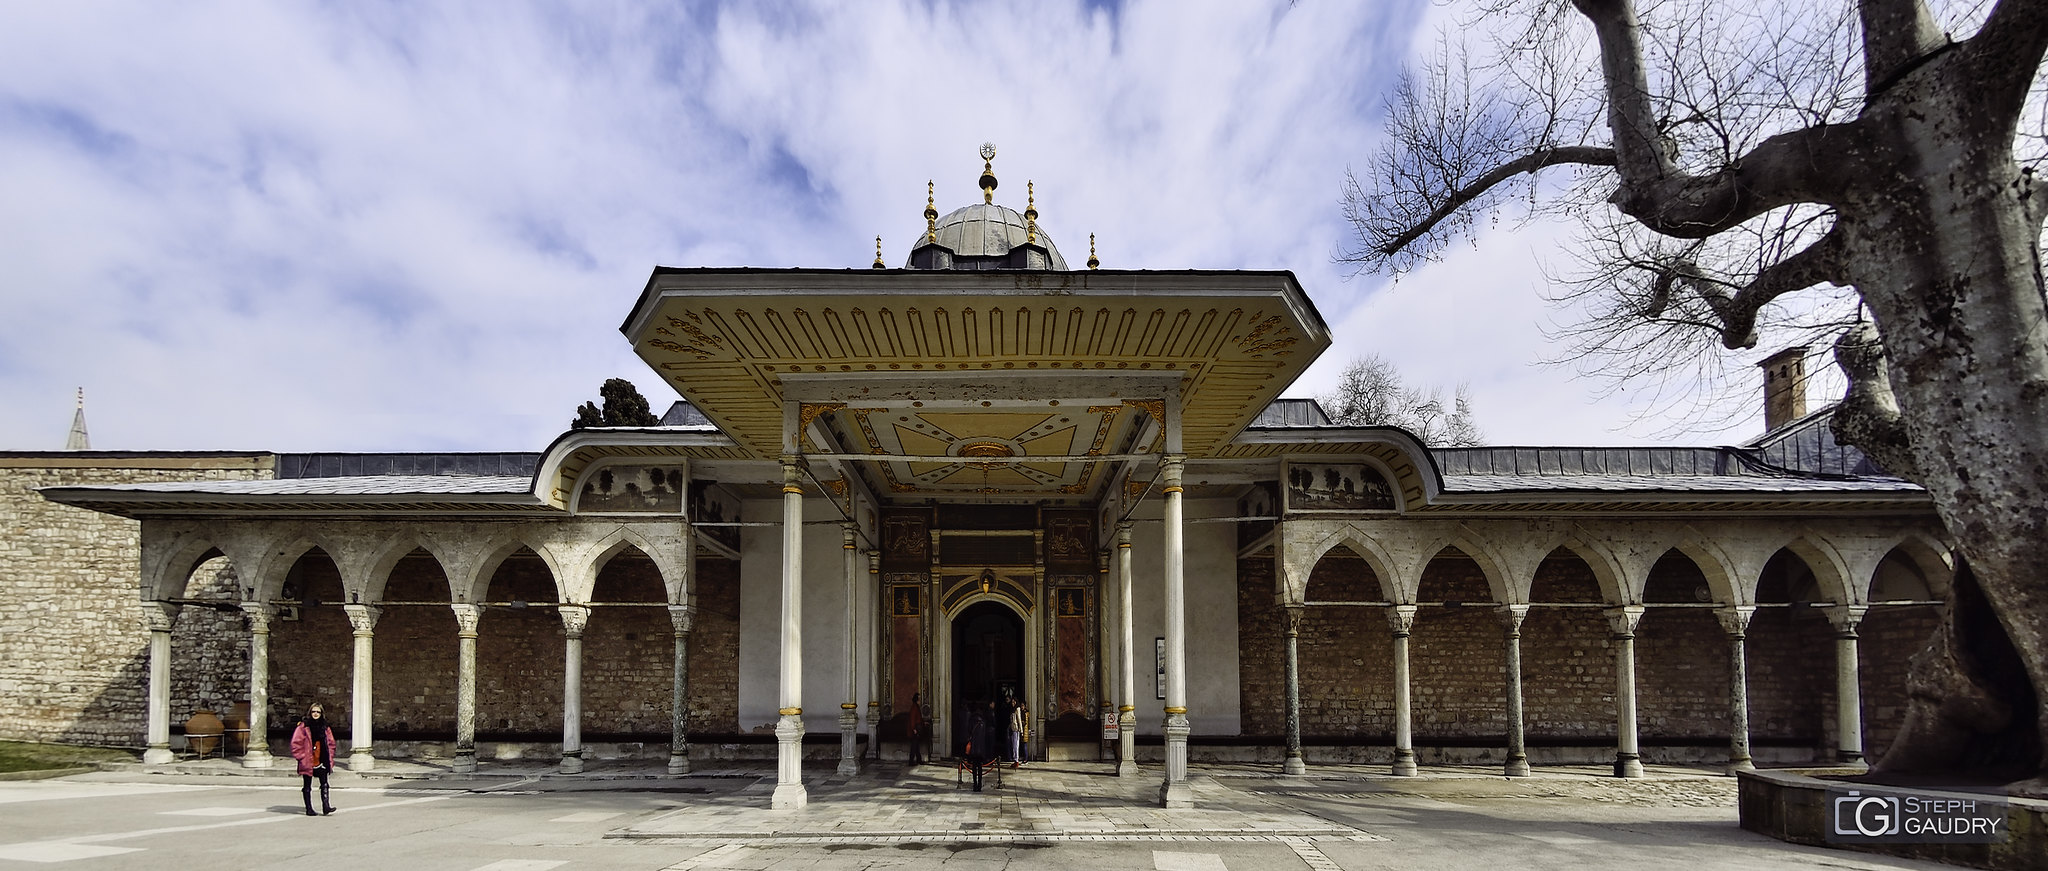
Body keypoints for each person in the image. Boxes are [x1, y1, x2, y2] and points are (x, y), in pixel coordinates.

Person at [289, 702, 337, 816]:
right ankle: (309, 808)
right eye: (313, 711)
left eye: (318, 712)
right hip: (308, 759)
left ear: (322, 713)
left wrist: (330, 755)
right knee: (307, 785)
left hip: (322, 757)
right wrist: (301, 757)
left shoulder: (325, 727)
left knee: (324, 783)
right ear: (310, 712)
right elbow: (296, 743)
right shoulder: (303, 726)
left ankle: (326, 806)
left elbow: (331, 743)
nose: (316, 714)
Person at [906, 693, 926, 765]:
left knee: (916, 745)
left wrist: (923, 723)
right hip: (915, 729)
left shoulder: (916, 707)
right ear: (917, 700)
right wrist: (914, 729)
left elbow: (918, 718)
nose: (920, 700)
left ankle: (918, 760)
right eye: (919, 699)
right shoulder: (914, 708)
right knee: (914, 746)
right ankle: (911, 761)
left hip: (916, 728)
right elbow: (912, 719)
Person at [1007, 698, 1024, 767]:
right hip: (1013, 728)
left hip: (1016, 729)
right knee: (1013, 745)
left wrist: (1021, 730)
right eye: (1012, 702)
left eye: (1014, 702)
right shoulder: (1012, 709)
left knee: (1016, 744)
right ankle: (1015, 759)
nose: (1013, 703)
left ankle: (1016, 760)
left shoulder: (1017, 709)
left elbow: (1019, 719)